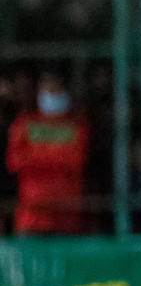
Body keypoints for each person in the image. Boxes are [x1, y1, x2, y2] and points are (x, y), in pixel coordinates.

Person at [5, 69, 91, 235]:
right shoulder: (25, 123)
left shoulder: (78, 124)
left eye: (57, 88)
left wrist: (35, 155)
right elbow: (14, 161)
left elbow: (77, 160)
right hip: (32, 217)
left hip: (68, 216)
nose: (52, 93)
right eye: (48, 88)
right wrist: (58, 154)